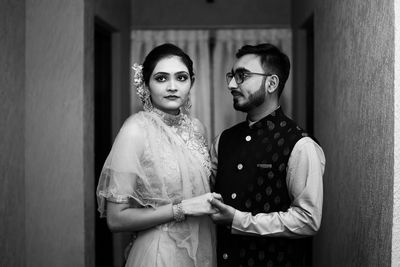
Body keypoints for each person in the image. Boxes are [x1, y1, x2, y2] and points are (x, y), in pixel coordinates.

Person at [96, 43, 218, 267]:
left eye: (181, 78)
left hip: (201, 248)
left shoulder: (197, 128)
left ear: (192, 82)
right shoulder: (136, 130)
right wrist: (181, 208)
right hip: (159, 253)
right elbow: (116, 219)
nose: (172, 86)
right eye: (161, 78)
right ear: (146, 84)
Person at [209, 43, 325, 267]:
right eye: (232, 76)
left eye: (242, 75)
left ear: (271, 83)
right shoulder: (223, 140)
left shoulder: (300, 144)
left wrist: (239, 220)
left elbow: (308, 220)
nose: (232, 84)